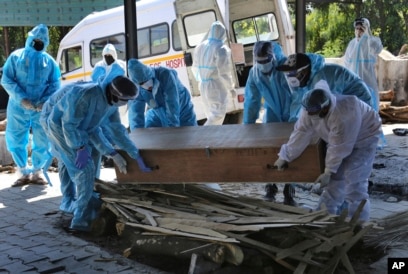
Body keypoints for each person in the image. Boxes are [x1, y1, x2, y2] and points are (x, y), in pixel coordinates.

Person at [41, 64, 151, 232]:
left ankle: (87, 203)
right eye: (125, 100)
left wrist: (131, 154)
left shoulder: (110, 104)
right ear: (115, 95)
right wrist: (79, 147)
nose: (125, 104)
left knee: (91, 161)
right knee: (83, 170)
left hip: (79, 128)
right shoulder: (84, 95)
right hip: (57, 126)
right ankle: (80, 220)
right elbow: (69, 125)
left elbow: (113, 130)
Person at [274, 80, 382, 222]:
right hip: (341, 139)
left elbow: (339, 147)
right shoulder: (309, 109)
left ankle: (359, 222)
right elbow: (301, 132)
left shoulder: (344, 114)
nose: (311, 114)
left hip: (365, 137)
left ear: (325, 108)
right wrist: (286, 155)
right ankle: (323, 215)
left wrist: (328, 171)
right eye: (309, 112)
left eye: (315, 112)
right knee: (335, 181)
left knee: (354, 181)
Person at [1, 24, 61, 187]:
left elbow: (55, 83)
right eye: (36, 40)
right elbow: (6, 79)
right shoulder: (15, 57)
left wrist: (45, 101)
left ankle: (36, 172)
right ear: (29, 39)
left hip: (40, 108)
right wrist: (21, 98)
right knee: (15, 138)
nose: (38, 43)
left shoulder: (49, 62)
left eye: (42, 41)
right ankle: (22, 171)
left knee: (42, 139)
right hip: (18, 107)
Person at [243, 41, 297, 205]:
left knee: (292, 150)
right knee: (270, 150)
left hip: (291, 111)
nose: (263, 65)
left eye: (266, 61)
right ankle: (270, 187)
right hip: (272, 112)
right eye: (259, 62)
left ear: (272, 57)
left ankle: (289, 191)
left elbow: (298, 93)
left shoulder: (287, 67)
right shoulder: (255, 73)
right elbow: (251, 102)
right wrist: (248, 127)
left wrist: (296, 118)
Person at [127, 58, 197, 130]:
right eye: (141, 83)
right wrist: (137, 134)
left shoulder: (165, 75)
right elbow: (135, 112)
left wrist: (173, 127)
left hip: (182, 110)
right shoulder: (138, 89)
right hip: (157, 114)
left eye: (146, 80)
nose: (145, 84)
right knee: (151, 133)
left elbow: (172, 103)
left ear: (149, 74)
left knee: (188, 135)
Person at [192, 21, 234, 125]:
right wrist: (230, 88)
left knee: (210, 114)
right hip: (215, 86)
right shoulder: (221, 48)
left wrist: (201, 80)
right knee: (217, 114)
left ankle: (214, 139)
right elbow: (224, 72)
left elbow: (195, 68)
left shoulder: (200, 47)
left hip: (203, 85)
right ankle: (205, 134)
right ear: (222, 33)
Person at [344, 17, 383, 110]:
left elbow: (378, 48)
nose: (358, 31)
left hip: (367, 79)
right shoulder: (352, 44)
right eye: (357, 28)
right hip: (353, 80)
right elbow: (346, 63)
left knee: (369, 103)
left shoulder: (372, 41)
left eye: (361, 29)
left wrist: (367, 37)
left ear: (366, 29)